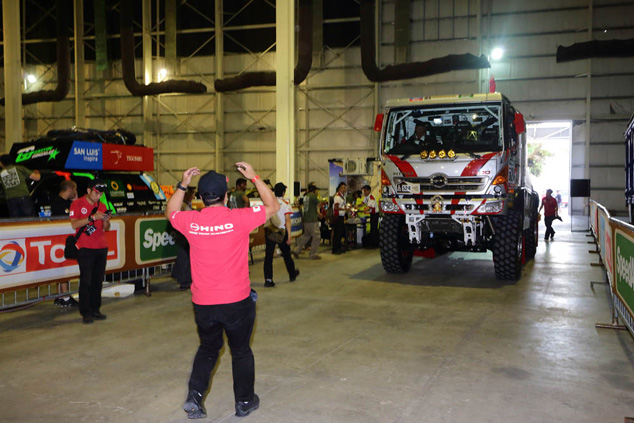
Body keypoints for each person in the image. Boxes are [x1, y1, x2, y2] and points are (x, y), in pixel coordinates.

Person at [166, 162, 279, 419]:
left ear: (202, 198)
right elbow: (273, 206)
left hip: (203, 303)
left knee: (208, 348)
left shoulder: (191, 221)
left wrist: (183, 184)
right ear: (226, 196)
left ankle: (194, 398)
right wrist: (255, 177)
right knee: (240, 351)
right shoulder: (238, 218)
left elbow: (170, 212)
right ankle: (244, 401)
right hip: (236, 301)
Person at [69, 179, 111, 324]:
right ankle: (85, 312)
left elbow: (106, 227)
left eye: (100, 194)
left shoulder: (102, 205)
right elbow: (74, 224)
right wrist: (92, 217)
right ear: (88, 191)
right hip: (86, 247)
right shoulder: (77, 204)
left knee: (98, 281)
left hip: (101, 246)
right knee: (86, 280)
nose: (98, 196)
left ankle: (95, 309)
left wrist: (105, 219)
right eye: (96, 193)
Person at [264, 182, 300, 287]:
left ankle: (268, 279)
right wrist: (289, 235)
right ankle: (292, 274)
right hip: (281, 233)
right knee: (287, 255)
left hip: (270, 231)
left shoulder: (269, 203)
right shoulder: (285, 204)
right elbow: (288, 220)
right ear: (283, 192)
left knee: (268, 256)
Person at [52, 179, 79, 307]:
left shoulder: (69, 203)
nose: (76, 192)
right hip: (59, 240)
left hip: (66, 239)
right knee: (62, 266)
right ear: (70, 189)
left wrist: (76, 201)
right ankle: (65, 296)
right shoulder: (57, 203)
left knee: (64, 266)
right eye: (75, 189)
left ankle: (60, 296)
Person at [171, 187, 196, 290]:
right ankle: (184, 281)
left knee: (184, 257)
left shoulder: (186, 204)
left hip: (185, 234)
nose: (193, 196)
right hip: (183, 234)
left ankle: (182, 278)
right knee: (184, 257)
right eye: (191, 194)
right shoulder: (183, 205)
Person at [293, 183, 322, 260]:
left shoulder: (306, 196)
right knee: (317, 237)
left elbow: (310, 207)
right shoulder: (312, 196)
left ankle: (297, 250)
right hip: (312, 220)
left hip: (306, 219)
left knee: (306, 236)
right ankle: (313, 254)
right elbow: (319, 203)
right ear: (314, 190)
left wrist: (317, 213)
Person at [332, 182, 348, 255]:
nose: (343, 189)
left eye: (344, 188)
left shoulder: (343, 196)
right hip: (337, 217)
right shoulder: (337, 196)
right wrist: (344, 209)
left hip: (341, 216)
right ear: (339, 188)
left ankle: (338, 247)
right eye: (342, 188)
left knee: (340, 233)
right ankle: (335, 249)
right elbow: (336, 207)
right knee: (337, 233)